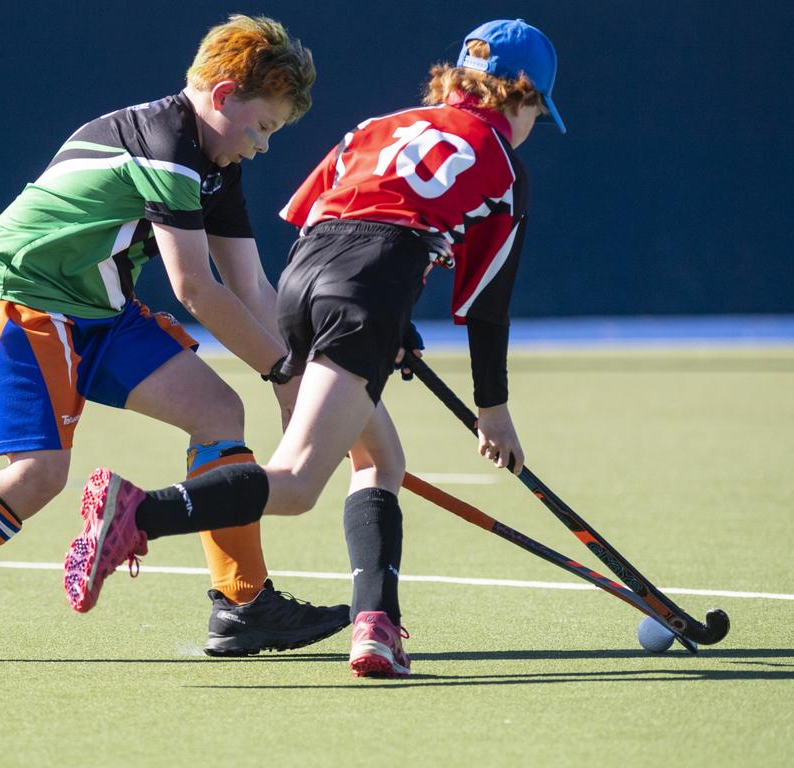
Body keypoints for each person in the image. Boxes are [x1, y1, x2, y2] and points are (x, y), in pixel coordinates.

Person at [0, 14, 352, 663]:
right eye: (262, 126)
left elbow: (252, 289)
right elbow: (197, 290)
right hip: (21, 299)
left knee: (217, 412)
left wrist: (307, 377)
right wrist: (285, 376)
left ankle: (243, 605)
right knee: (39, 475)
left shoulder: (216, 165)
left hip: (98, 309)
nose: (263, 145)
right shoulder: (165, 141)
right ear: (224, 95)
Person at [61, 18, 566, 678]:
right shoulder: (503, 164)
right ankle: (138, 514)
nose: (532, 125)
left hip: (302, 281)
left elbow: (319, 214)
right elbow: (485, 305)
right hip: (366, 295)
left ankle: (376, 626)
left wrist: (388, 326)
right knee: (297, 483)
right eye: (536, 111)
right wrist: (491, 409)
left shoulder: (380, 126)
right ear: (519, 96)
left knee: (380, 457)